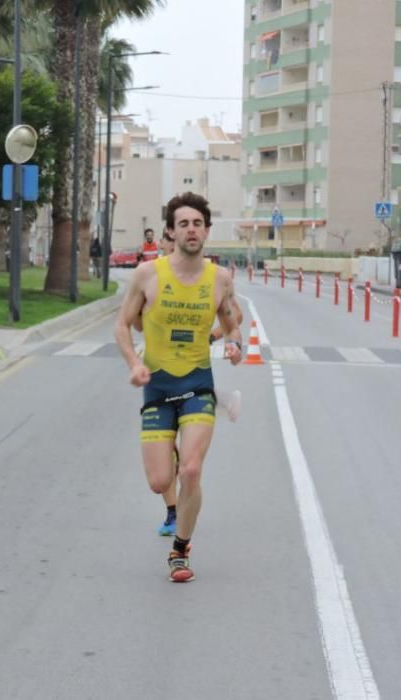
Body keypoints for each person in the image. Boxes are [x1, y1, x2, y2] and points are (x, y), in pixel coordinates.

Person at [115, 192, 243, 582]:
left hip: (198, 385)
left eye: (198, 223)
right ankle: (170, 447)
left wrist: (235, 343)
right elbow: (123, 324)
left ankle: (180, 550)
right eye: (183, 224)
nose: (191, 229)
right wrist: (135, 364)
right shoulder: (148, 274)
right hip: (156, 387)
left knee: (190, 469)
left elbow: (234, 321)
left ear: (206, 230)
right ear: (170, 232)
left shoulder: (219, 279)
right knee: (159, 481)